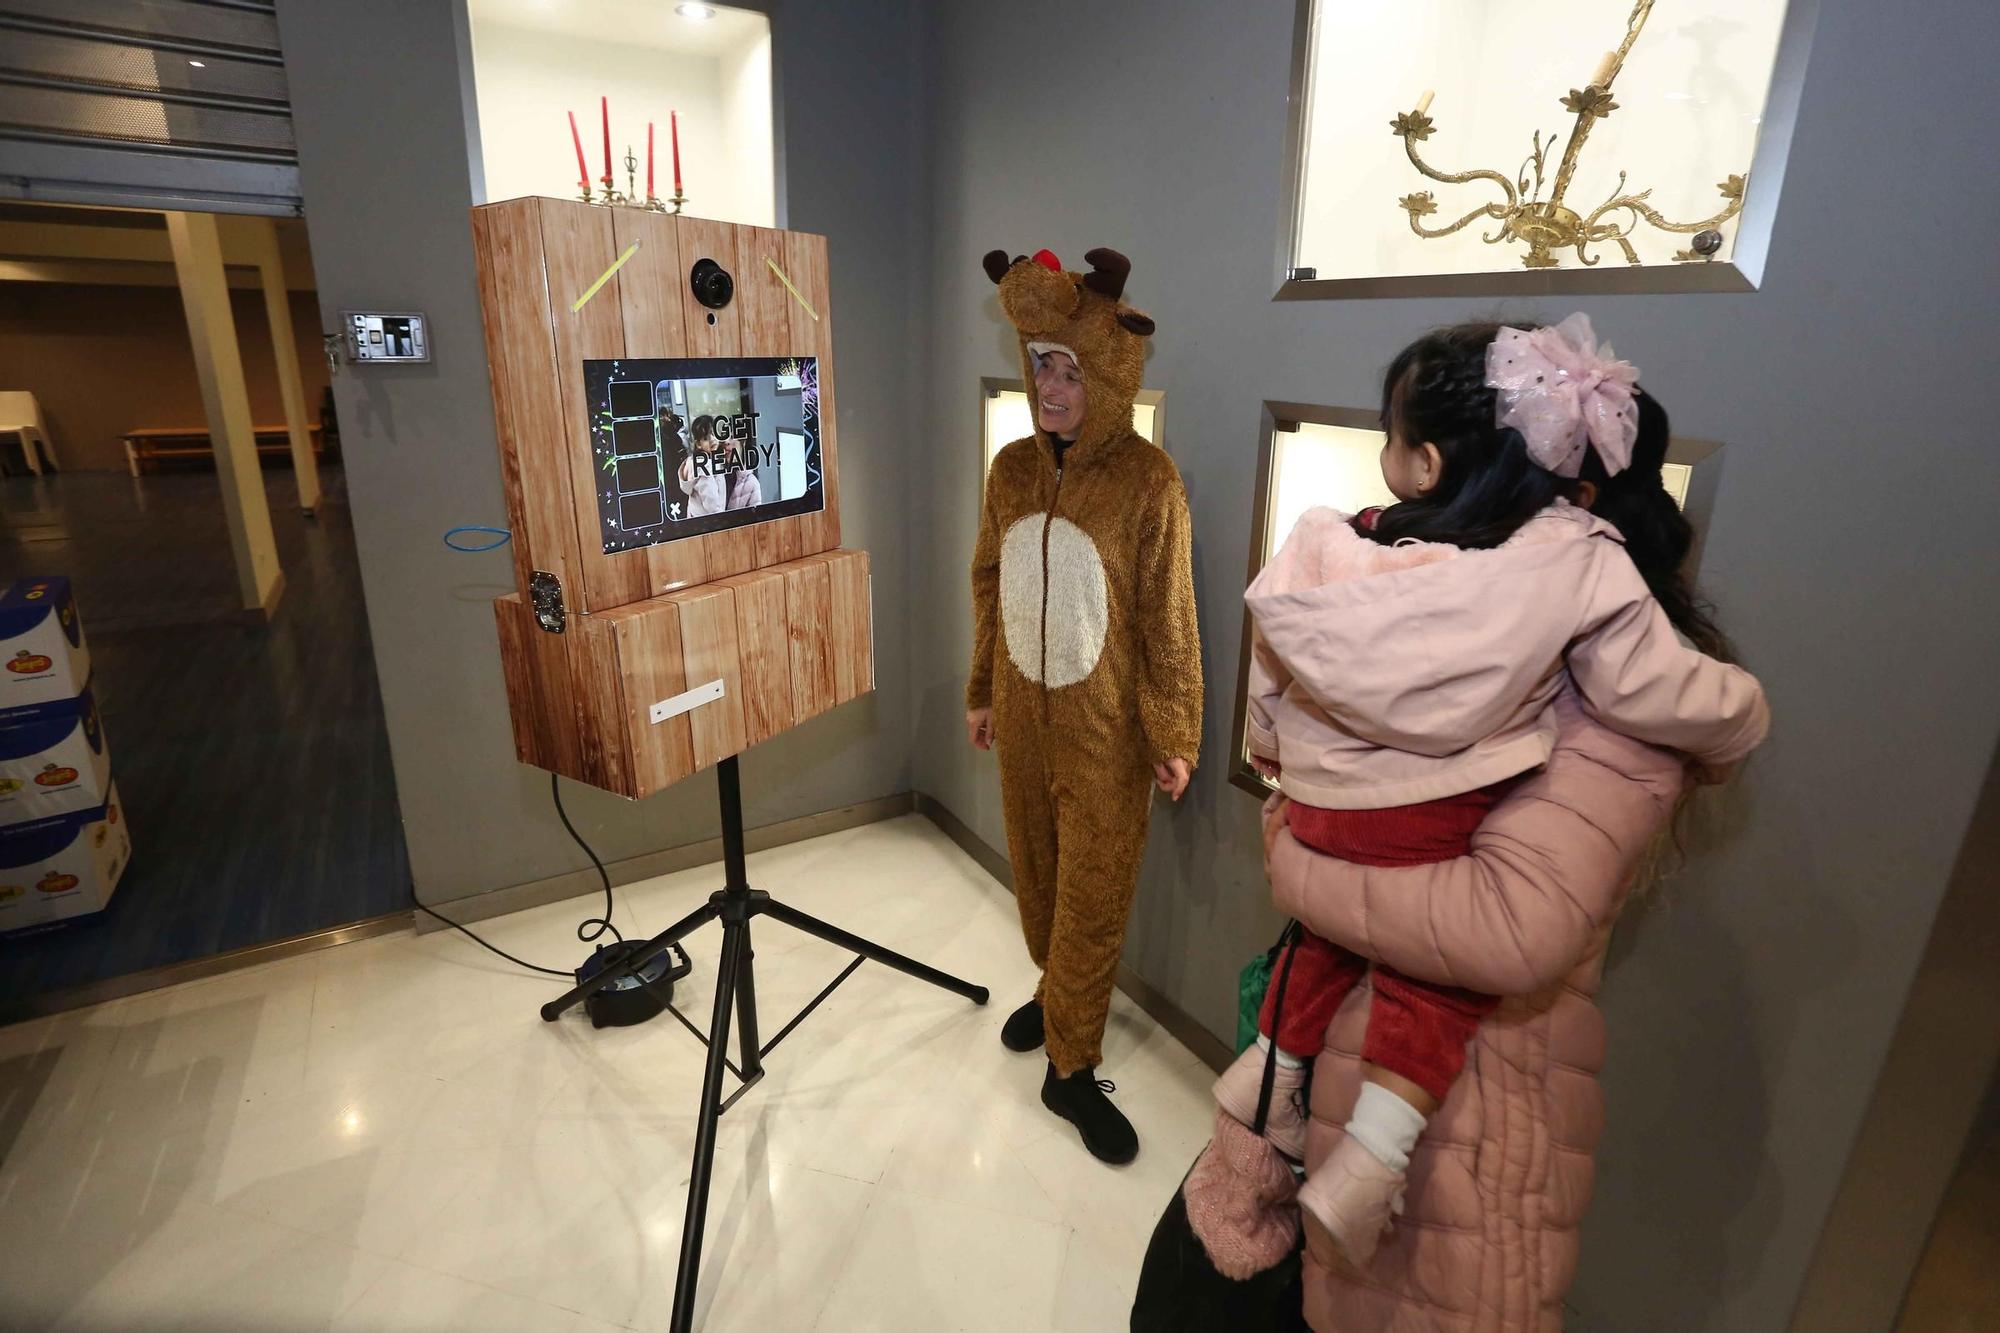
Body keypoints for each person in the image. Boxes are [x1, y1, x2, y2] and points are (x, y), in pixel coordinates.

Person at [1215, 316, 1768, 1267]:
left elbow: (1269, 663)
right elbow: (1653, 688)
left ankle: (1273, 1062)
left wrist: (1278, 765)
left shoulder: (1334, 543)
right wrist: (1742, 715)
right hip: (1426, 822)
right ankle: (1374, 1156)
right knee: (1432, 980)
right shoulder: (1577, 559)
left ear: (1428, 465)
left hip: (1315, 803)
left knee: (1321, 940)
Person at [965, 246, 1202, 1164]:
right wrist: (983, 688)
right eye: (1040, 367)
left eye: (1070, 370)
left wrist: (1173, 731)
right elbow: (989, 583)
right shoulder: (1012, 471)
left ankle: (1071, 1066)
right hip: (1024, 719)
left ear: (1106, 377)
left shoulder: (1151, 484)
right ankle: (1053, 992)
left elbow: (1168, 618)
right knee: (1039, 882)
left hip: (1107, 736)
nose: (1051, 388)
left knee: (1094, 899)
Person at [679, 412, 762, 515]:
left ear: (742, 442)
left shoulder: (751, 484)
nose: (726, 441)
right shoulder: (707, 466)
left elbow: (755, 522)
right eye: (723, 436)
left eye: (731, 436)